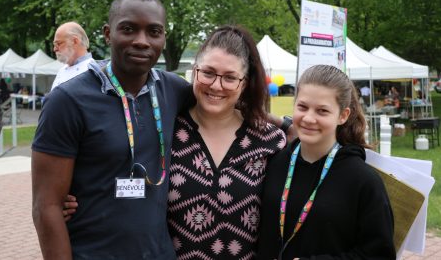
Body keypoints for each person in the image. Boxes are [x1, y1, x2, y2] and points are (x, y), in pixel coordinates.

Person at [31, 0, 191, 259]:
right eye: (128, 29)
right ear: (107, 34)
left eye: (154, 32)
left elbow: (223, 104)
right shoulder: (68, 101)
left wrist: (283, 124)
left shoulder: (173, 90)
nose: (142, 41)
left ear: (163, 37)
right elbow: (46, 207)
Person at [167, 25, 286, 258]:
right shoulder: (165, 134)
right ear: (194, 71)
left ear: (244, 83)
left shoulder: (270, 141)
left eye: (230, 77)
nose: (216, 85)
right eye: (208, 73)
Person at [257, 65, 395, 259]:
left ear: (343, 115)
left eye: (322, 111)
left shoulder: (363, 180)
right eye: (302, 107)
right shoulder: (276, 162)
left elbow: (380, 255)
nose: (309, 118)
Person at [50, 21, 95, 90]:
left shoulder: (93, 71)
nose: (55, 49)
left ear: (75, 41)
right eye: (54, 45)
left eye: (58, 43)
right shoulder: (61, 71)